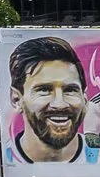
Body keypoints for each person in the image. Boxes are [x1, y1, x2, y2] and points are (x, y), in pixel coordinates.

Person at [5, 35, 87, 164]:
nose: (59, 104)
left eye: (70, 90)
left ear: (85, 98)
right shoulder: (6, 161)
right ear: (16, 99)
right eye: (44, 90)